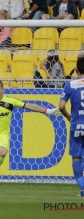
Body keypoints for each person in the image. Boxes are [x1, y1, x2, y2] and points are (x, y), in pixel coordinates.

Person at [59, 57, 84, 197]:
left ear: (76, 70)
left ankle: (83, 188)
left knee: (76, 158)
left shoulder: (70, 85)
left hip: (76, 125)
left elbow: (61, 106)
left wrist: (68, 116)